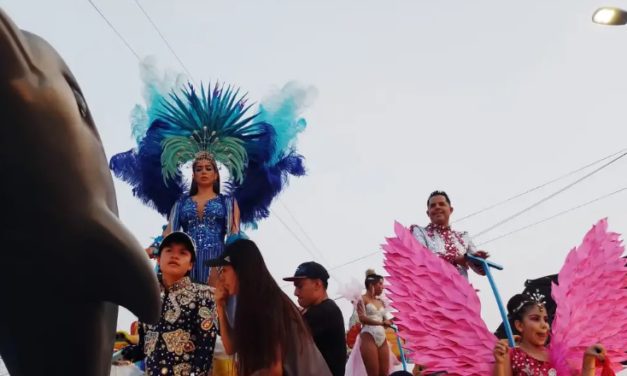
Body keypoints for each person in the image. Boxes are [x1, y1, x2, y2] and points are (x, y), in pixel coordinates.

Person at [109, 59, 317, 287]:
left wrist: (241, 261)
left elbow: (235, 236)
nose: (203, 172)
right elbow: (169, 233)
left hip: (216, 266)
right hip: (185, 268)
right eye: (198, 169)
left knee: (215, 317)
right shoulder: (181, 204)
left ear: (217, 174)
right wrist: (149, 250)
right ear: (193, 173)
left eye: (209, 168)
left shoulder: (228, 203)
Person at [206, 239, 332, 376]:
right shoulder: (250, 303)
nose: (222, 278)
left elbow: (273, 370)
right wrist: (220, 306)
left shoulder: (266, 303)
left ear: (240, 270)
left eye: (224, 270)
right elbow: (231, 347)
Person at [120, 232, 218, 376]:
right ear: (158, 260)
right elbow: (142, 349)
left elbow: (204, 353)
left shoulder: (204, 295)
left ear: (190, 264)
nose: (175, 256)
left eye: (183, 252)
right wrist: (113, 357)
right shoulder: (149, 300)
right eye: (169, 250)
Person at [493, 294, 607, 376]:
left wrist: (588, 358)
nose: (544, 325)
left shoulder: (557, 355)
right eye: (536, 319)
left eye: (546, 320)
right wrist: (499, 362)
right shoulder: (511, 354)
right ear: (520, 325)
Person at [283, 262, 347, 376]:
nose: (296, 293)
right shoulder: (325, 309)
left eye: (300, 286)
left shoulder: (323, 312)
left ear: (317, 284)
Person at [409, 190, 489, 280]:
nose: (437, 207)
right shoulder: (419, 231)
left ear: (450, 210)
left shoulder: (463, 237)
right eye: (433, 206)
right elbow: (420, 258)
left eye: (442, 204)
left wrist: (478, 261)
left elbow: (482, 272)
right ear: (428, 213)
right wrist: (455, 258)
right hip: (430, 290)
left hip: (460, 291)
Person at [345, 269, 399, 376]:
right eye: (380, 284)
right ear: (371, 285)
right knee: (373, 373)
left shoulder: (381, 302)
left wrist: (397, 316)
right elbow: (362, 318)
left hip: (382, 338)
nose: (382, 287)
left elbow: (386, 320)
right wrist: (381, 324)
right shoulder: (362, 299)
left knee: (384, 373)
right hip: (368, 336)